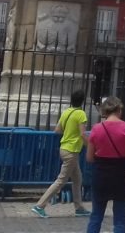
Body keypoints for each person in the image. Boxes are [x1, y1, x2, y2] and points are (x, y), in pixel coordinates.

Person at [32, 90, 91, 218]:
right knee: (61, 180)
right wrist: (91, 146)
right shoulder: (81, 114)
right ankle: (40, 205)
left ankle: (79, 207)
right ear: (82, 101)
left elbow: (57, 130)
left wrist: (69, 131)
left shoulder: (66, 112)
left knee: (77, 178)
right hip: (72, 150)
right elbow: (82, 134)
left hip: (64, 148)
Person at [86, 96, 125, 233]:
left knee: (96, 216)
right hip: (120, 174)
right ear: (119, 109)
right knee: (120, 219)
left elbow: (89, 158)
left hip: (101, 174)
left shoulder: (96, 129)